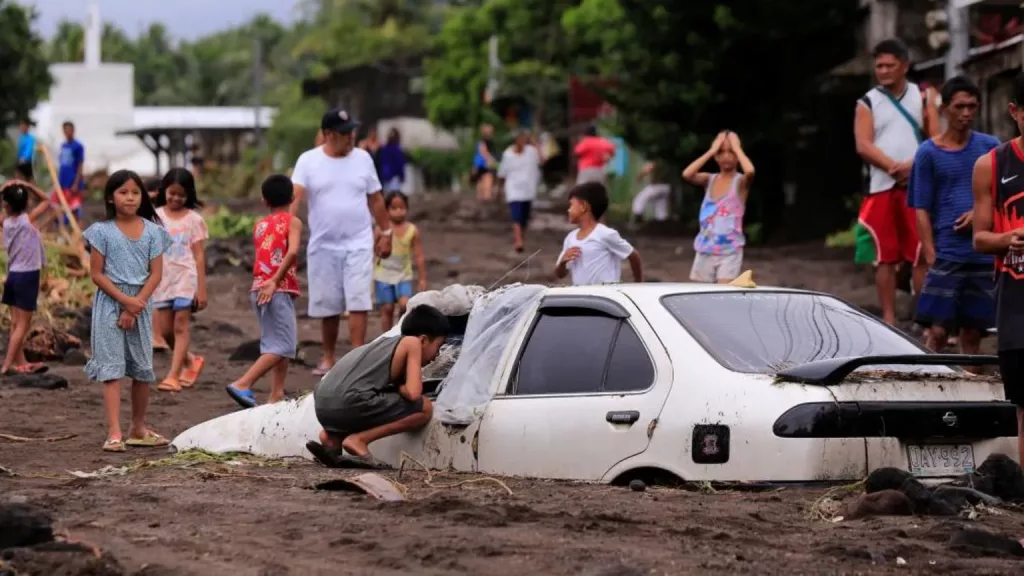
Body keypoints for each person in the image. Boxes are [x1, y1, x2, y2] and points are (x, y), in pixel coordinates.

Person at [290, 108, 393, 376]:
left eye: (352, 132)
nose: (350, 138)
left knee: (359, 299)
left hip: (358, 241)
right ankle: (328, 358)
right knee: (328, 303)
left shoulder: (363, 159)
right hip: (323, 244)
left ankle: (357, 356)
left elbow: (376, 198)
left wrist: (387, 232)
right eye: (345, 133)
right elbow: (295, 197)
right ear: (328, 135)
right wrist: (285, 230)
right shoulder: (308, 161)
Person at [82, 170, 171, 452]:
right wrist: (125, 302)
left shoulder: (154, 232)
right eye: (123, 192)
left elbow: (155, 274)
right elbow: (97, 274)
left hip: (141, 305)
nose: (130, 198)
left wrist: (135, 306)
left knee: (142, 370)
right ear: (111, 197)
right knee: (112, 370)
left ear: (142, 196)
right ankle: (115, 432)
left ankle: (138, 428)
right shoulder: (101, 231)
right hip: (110, 304)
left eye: (135, 192)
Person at [909, 77, 999, 354]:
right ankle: (929, 388)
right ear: (945, 108)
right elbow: (920, 206)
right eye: (960, 106)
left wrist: (980, 212)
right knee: (936, 331)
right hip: (947, 252)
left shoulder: (990, 147)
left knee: (973, 332)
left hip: (982, 251)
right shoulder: (928, 153)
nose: (966, 113)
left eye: (972, 107)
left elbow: (1006, 193)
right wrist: (931, 254)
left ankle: (972, 391)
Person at [854, 38, 939, 325]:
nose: (884, 71)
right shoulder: (867, 102)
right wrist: (893, 167)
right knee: (884, 256)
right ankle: (889, 318)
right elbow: (863, 145)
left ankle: (921, 316)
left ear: (905, 66)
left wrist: (913, 166)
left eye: (890, 65)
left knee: (920, 253)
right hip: (881, 186)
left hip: (917, 185)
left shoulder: (925, 97)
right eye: (879, 66)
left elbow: (936, 139)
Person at [306, 304, 449, 468]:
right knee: (424, 407)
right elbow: (414, 393)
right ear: (423, 339)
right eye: (438, 347)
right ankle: (359, 441)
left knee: (370, 400)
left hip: (322, 405)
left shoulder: (382, 345)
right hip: (348, 401)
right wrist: (401, 388)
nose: (436, 356)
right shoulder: (412, 343)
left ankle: (332, 439)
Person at [971, 71, 1024, 468]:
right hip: (1016, 302)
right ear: (1014, 112)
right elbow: (980, 237)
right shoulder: (992, 164)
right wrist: (1010, 239)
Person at [225, 175, 302, 408]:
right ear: (292, 197)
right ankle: (242, 383)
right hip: (275, 288)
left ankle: (276, 393)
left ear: (263, 200)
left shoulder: (259, 226)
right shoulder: (293, 221)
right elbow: (293, 252)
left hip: (258, 288)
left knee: (274, 343)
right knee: (285, 345)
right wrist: (276, 281)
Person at [152, 168, 209, 392]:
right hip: (163, 280)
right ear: (164, 190)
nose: (175, 198)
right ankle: (190, 360)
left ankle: (173, 376)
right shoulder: (156, 217)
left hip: (186, 278)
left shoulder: (194, 220)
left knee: (180, 326)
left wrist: (202, 290)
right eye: (171, 193)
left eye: (181, 195)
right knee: (165, 331)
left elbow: (199, 255)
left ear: (189, 195)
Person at [682, 131, 756, 283]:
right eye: (721, 152)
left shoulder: (740, 182)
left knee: (724, 293)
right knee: (700, 294)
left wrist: (737, 148)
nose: (726, 156)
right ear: (716, 156)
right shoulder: (709, 179)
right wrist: (711, 151)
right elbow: (687, 174)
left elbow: (750, 171)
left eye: (731, 152)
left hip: (730, 250)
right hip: (705, 248)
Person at [0, 180, 49, 375]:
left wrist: (2, 190)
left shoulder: (6, 223)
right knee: (22, 325)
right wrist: (27, 185)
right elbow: (47, 201)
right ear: (26, 203)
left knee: (14, 323)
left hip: (12, 275)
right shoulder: (26, 221)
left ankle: (20, 362)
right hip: (27, 276)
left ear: (6, 204)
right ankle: (7, 365)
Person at [555, 181, 643, 285]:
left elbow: (633, 255)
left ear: (583, 206)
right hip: (581, 297)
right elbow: (560, 274)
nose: (568, 210)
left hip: (606, 297)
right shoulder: (570, 238)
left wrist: (638, 284)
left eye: (571, 205)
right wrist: (563, 263)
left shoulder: (605, 234)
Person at [374, 191, 427, 332]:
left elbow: (419, 255)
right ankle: (385, 337)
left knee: (405, 305)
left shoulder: (412, 230)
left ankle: (399, 331)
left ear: (407, 209)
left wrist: (422, 278)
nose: (398, 212)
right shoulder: (381, 229)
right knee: (387, 308)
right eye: (394, 208)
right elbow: (372, 250)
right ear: (386, 210)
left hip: (404, 275)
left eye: (402, 208)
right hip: (383, 274)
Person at [497, 129, 543, 253]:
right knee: (516, 216)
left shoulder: (531, 152)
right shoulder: (508, 154)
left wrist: (535, 142)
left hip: (528, 190)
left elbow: (542, 159)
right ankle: (518, 241)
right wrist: (499, 190)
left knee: (524, 218)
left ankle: (521, 237)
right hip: (513, 190)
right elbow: (502, 174)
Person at [56, 121, 86, 225]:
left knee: (76, 210)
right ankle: (65, 233)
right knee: (63, 209)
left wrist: (76, 183)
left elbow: (80, 165)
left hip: (73, 183)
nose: (67, 132)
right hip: (63, 183)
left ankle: (79, 235)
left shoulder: (78, 146)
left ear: (73, 131)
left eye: (69, 129)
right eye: (65, 130)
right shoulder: (63, 146)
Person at [631, 161, 672, 225]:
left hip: (656, 186)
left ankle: (638, 217)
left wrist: (640, 175)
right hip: (667, 187)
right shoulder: (667, 162)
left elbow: (648, 169)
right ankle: (661, 223)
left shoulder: (655, 161)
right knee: (660, 205)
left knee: (639, 199)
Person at [472, 124, 499, 201]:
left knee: (481, 183)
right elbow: (484, 153)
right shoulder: (483, 142)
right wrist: (493, 161)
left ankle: (482, 199)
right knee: (487, 181)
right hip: (485, 165)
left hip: (480, 165)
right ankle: (486, 199)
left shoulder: (482, 141)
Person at [377, 128, 407, 193]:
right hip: (393, 178)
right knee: (393, 197)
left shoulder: (385, 149)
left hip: (388, 177)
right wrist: (402, 176)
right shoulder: (395, 149)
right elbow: (400, 164)